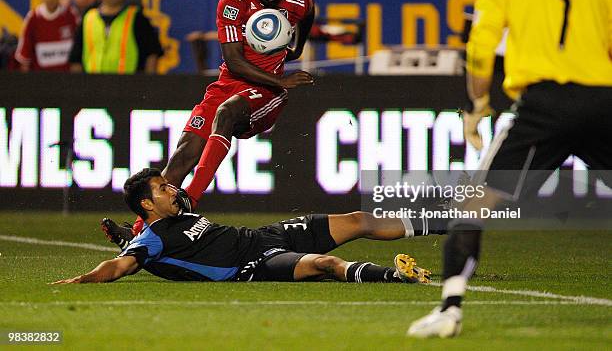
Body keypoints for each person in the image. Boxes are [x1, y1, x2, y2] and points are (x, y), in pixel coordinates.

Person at [408, 0, 612, 338]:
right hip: (603, 99)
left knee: (473, 206)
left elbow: (480, 50)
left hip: (544, 106)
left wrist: (476, 105)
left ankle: (449, 309)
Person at [102, 0, 315, 244]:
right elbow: (235, 61)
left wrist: (295, 51)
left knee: (227, 114)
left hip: (268, 93)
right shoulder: (232, 4)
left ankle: (191, 199)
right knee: (184, 153)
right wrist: (283, 77)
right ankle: (137, 233)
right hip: (233, 82)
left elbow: (308, 12)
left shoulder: (297, 3)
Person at [54, 168, 438, 284]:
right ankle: (400, 277)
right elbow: (120, 266)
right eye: (162, 188)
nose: (173, 190)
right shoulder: (153, 238)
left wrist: (132, 237)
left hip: (264, 236)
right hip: (253, 266)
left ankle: (447, 221)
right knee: (324, 264)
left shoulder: (179, 212)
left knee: (356, 221)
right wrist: (81, 280)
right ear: (146, 204)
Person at [68, 0, 162, 74]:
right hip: (93, 86)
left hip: (130, 86)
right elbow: (76, 59)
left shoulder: (137, 18)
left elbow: (152, 54)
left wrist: (149, 85)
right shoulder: (88, 18)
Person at [14, 0, 77, 72]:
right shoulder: (33, 17)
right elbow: (25, 51)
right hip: (41, 78)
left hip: (67, 77)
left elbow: (78, 44)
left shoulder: (71, 14)